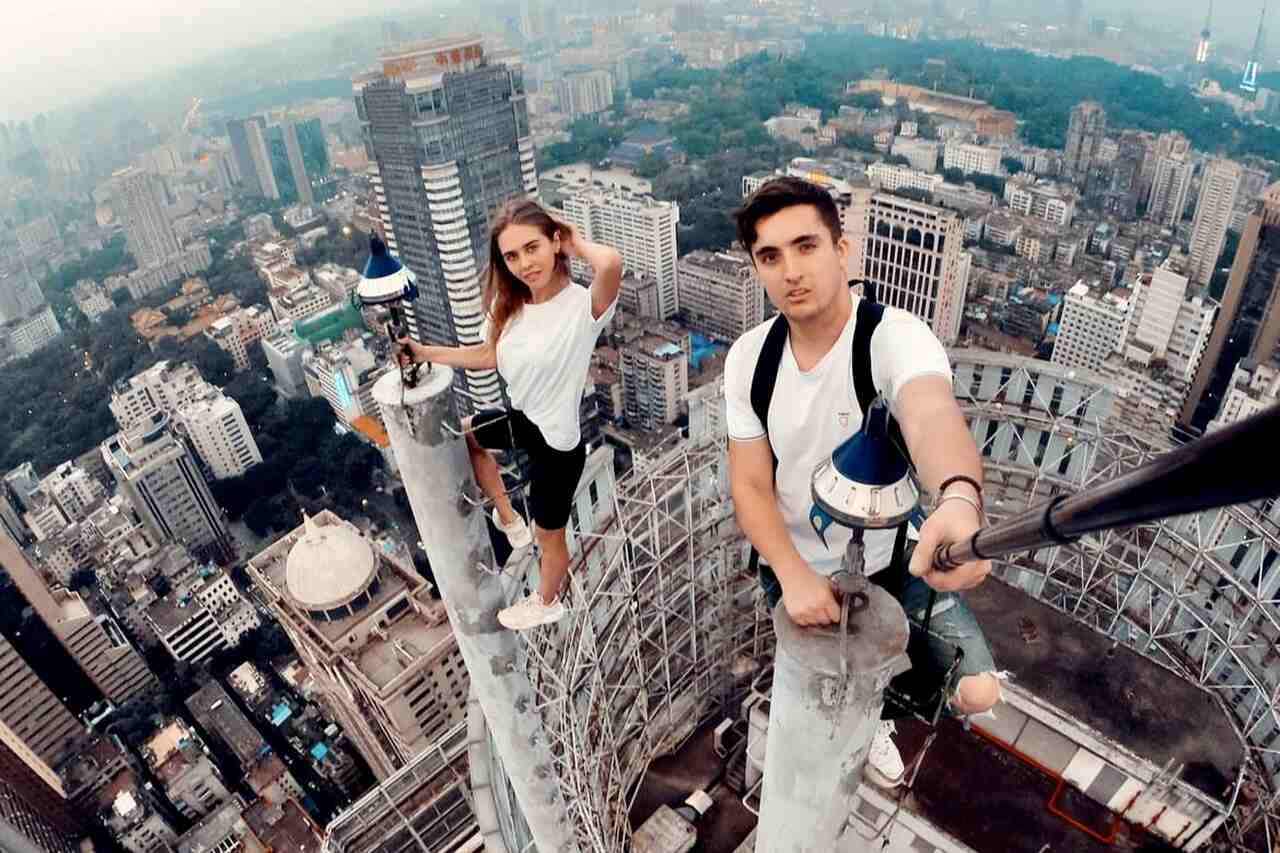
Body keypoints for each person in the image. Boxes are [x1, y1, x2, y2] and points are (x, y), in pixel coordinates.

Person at [724, 177, 1003, 788]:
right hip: (795, 557)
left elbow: (930, 413)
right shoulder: (751, 359)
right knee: (821, 678)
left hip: (891, 554)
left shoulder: (891, 337)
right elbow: (749, 484)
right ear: (755, 269)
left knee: (979, 691)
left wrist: (958, 496)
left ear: (842, 251)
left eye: (806, 246)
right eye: (770, 256)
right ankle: (853, 709)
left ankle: (876, 709)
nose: (791, 270)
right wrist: (793, 577)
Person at [398, 198, 622, 631]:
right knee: (464, 436)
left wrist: (575, 241)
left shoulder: (583, 306)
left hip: (558, 445)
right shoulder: (510, 306)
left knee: (550, 538)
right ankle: (506, 515)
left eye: (532, 248)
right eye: (512, 256)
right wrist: (424, 352)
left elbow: (610, 263)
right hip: (524, 420)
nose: (524, 263)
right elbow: (486, 356)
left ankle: (546, 601)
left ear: (555, 242)